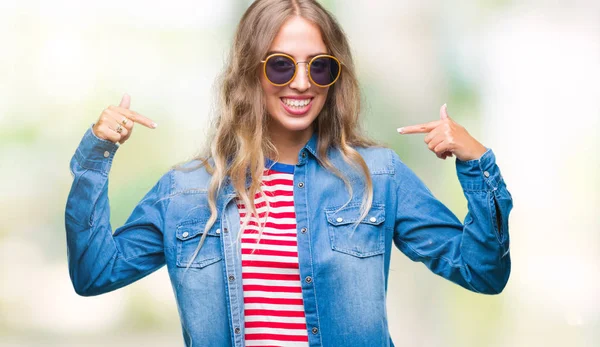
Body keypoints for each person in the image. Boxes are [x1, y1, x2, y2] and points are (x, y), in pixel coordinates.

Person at [65, 0, 513, 346]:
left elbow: (482, 272)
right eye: (281, 64)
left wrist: (477, 165)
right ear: (249, 72)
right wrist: (97, 153)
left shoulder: (378, 177)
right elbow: (95, 274)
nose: (301, 82)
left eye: (319, 66)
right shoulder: (184, 191)